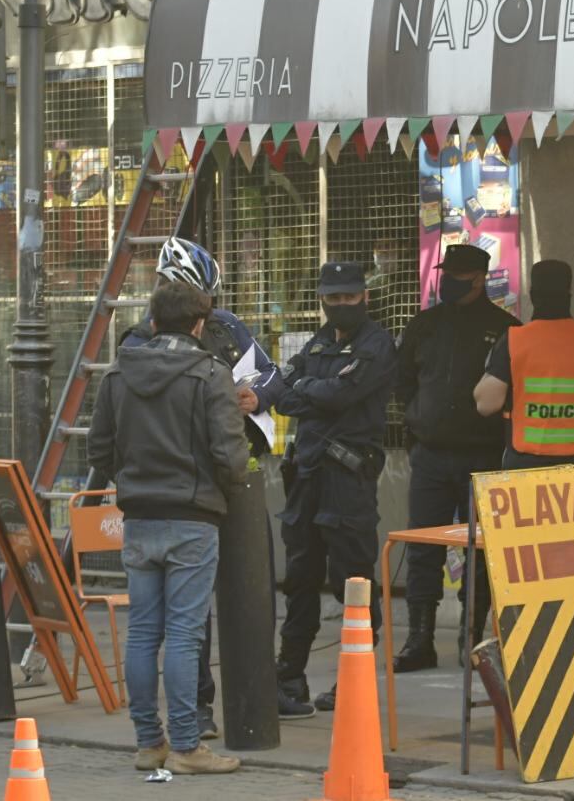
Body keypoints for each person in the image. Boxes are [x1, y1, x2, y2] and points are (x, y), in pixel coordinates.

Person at [120, 237, 304, 729]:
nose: (206, 314)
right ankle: (196, 712)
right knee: (187, 619)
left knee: (250, 593)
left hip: (213, 489)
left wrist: (255, 398)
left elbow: (273, 376)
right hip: (196, 490)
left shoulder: (226, 329)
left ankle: (256, 692)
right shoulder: (138, 344)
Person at [88, 281, 247, 775]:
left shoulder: (117, 373)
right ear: (200, 325)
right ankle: (185, 745)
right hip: (193, 518)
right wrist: (226, 483)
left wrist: (135, 482)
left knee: (141, 634)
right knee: (183, 635)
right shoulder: (210, 374)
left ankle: (147, 743)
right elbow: (228, 454)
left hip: (138, 518)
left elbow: (99, 449)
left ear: (152, 322)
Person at [274, 262, 397, 712]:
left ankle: (356, 681)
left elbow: (343, 395)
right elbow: (282, 392)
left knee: (354, 581)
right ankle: (289, 680)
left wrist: (309, 390)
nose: (342, 305)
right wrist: (315, 389)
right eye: (334, 299)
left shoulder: (376, 343)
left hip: (347, 480)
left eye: (349, 298)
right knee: (300, 579)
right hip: (307, 476)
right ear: (323, 299)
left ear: (364, 296)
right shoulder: (318, 342)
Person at [394, 244, 519, 672]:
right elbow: (404, 381)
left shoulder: (505, 329)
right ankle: (419, 641)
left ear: (481, 278)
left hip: (481, 456)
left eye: (460, 274)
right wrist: (417, 425)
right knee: (423, 549)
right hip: (430, 455)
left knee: (480, 553)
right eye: (446, 272)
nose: (449, 280)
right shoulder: (424, 325)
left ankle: (473, 638)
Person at [473, 259, 574, 469]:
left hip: (525, 466)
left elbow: (486, 404)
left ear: (532, 293)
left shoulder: (514, 340)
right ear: (569, 291)